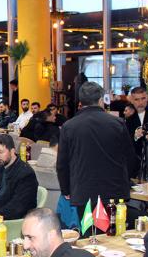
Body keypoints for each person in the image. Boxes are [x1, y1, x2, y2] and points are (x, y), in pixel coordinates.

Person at [57, 82, 137, 211]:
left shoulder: (69, 126)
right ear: (101, 100)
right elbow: (130, 157)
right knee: (114, 224)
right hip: (114, 189)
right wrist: (126, 180)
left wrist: (66, 189)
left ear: (81, 102)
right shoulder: (117, 123)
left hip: (83, 190)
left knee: (87, 224)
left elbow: (62, 163)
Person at [0, 135, 38, 219]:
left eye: (0, 152)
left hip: (10, 219)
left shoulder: (26, 173)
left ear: (12, 151)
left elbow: (17, 207)